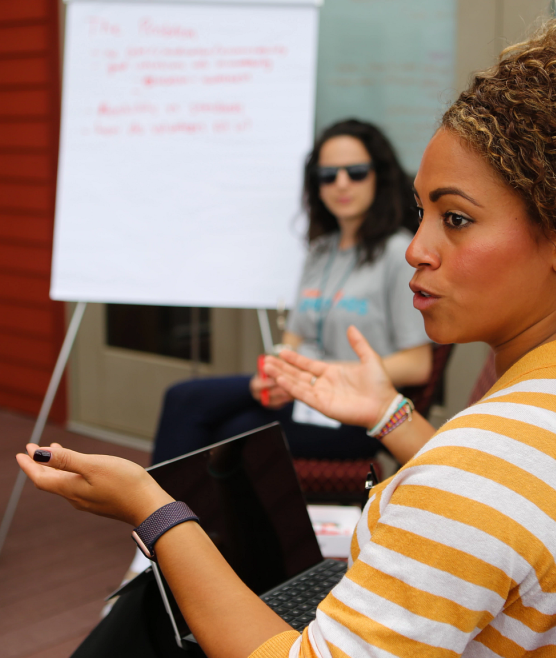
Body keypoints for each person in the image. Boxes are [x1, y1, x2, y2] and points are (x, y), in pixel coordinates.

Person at [18, 16, 556, 657]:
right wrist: (389, 414)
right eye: (422, 213)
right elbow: (517, 508)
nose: (417, 249)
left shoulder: (489, 467)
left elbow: (485, 489)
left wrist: (156, 512)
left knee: (151, 606)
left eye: (457, 219)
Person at [150, 119, 432, 464]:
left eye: (356, 172)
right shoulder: (320, 251)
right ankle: (165, 516)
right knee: (183, 398)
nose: (341, 183)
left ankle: (164, 515)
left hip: (353, 407)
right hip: (302, 394)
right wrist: (273, 380)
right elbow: (292, 341)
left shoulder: (398, 253)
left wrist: (328, 373)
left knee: (229, 431)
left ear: (379, 177)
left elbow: (418, 365)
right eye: (328, 175)